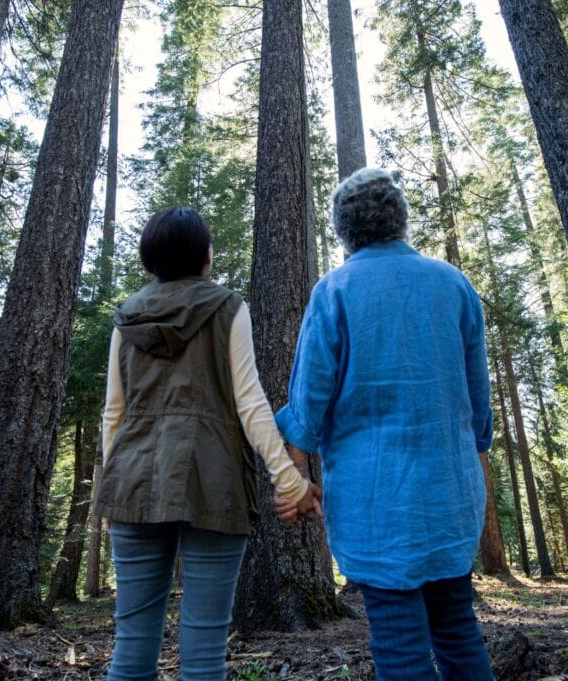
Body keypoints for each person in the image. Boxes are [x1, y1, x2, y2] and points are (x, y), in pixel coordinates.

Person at [273, 168, 496, 681]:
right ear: (401, 221)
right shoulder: (453, 284)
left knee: (399, 643)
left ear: (344, 230)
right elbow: (478, 399)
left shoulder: (335, 290)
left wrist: (296, 478)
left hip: (376, 501)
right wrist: (475, 452)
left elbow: (309, 399)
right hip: (449, 493)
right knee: (459, 629)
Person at [96, 206, 322, 681]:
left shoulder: (126, 317)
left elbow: (114, 413)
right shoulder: (226, 306)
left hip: (133, 480)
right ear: (204, 255)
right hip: (213, 481)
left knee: (130, 648)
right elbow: (251, 403)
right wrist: (291, 480)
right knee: (203, 651)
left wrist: (112, 489)